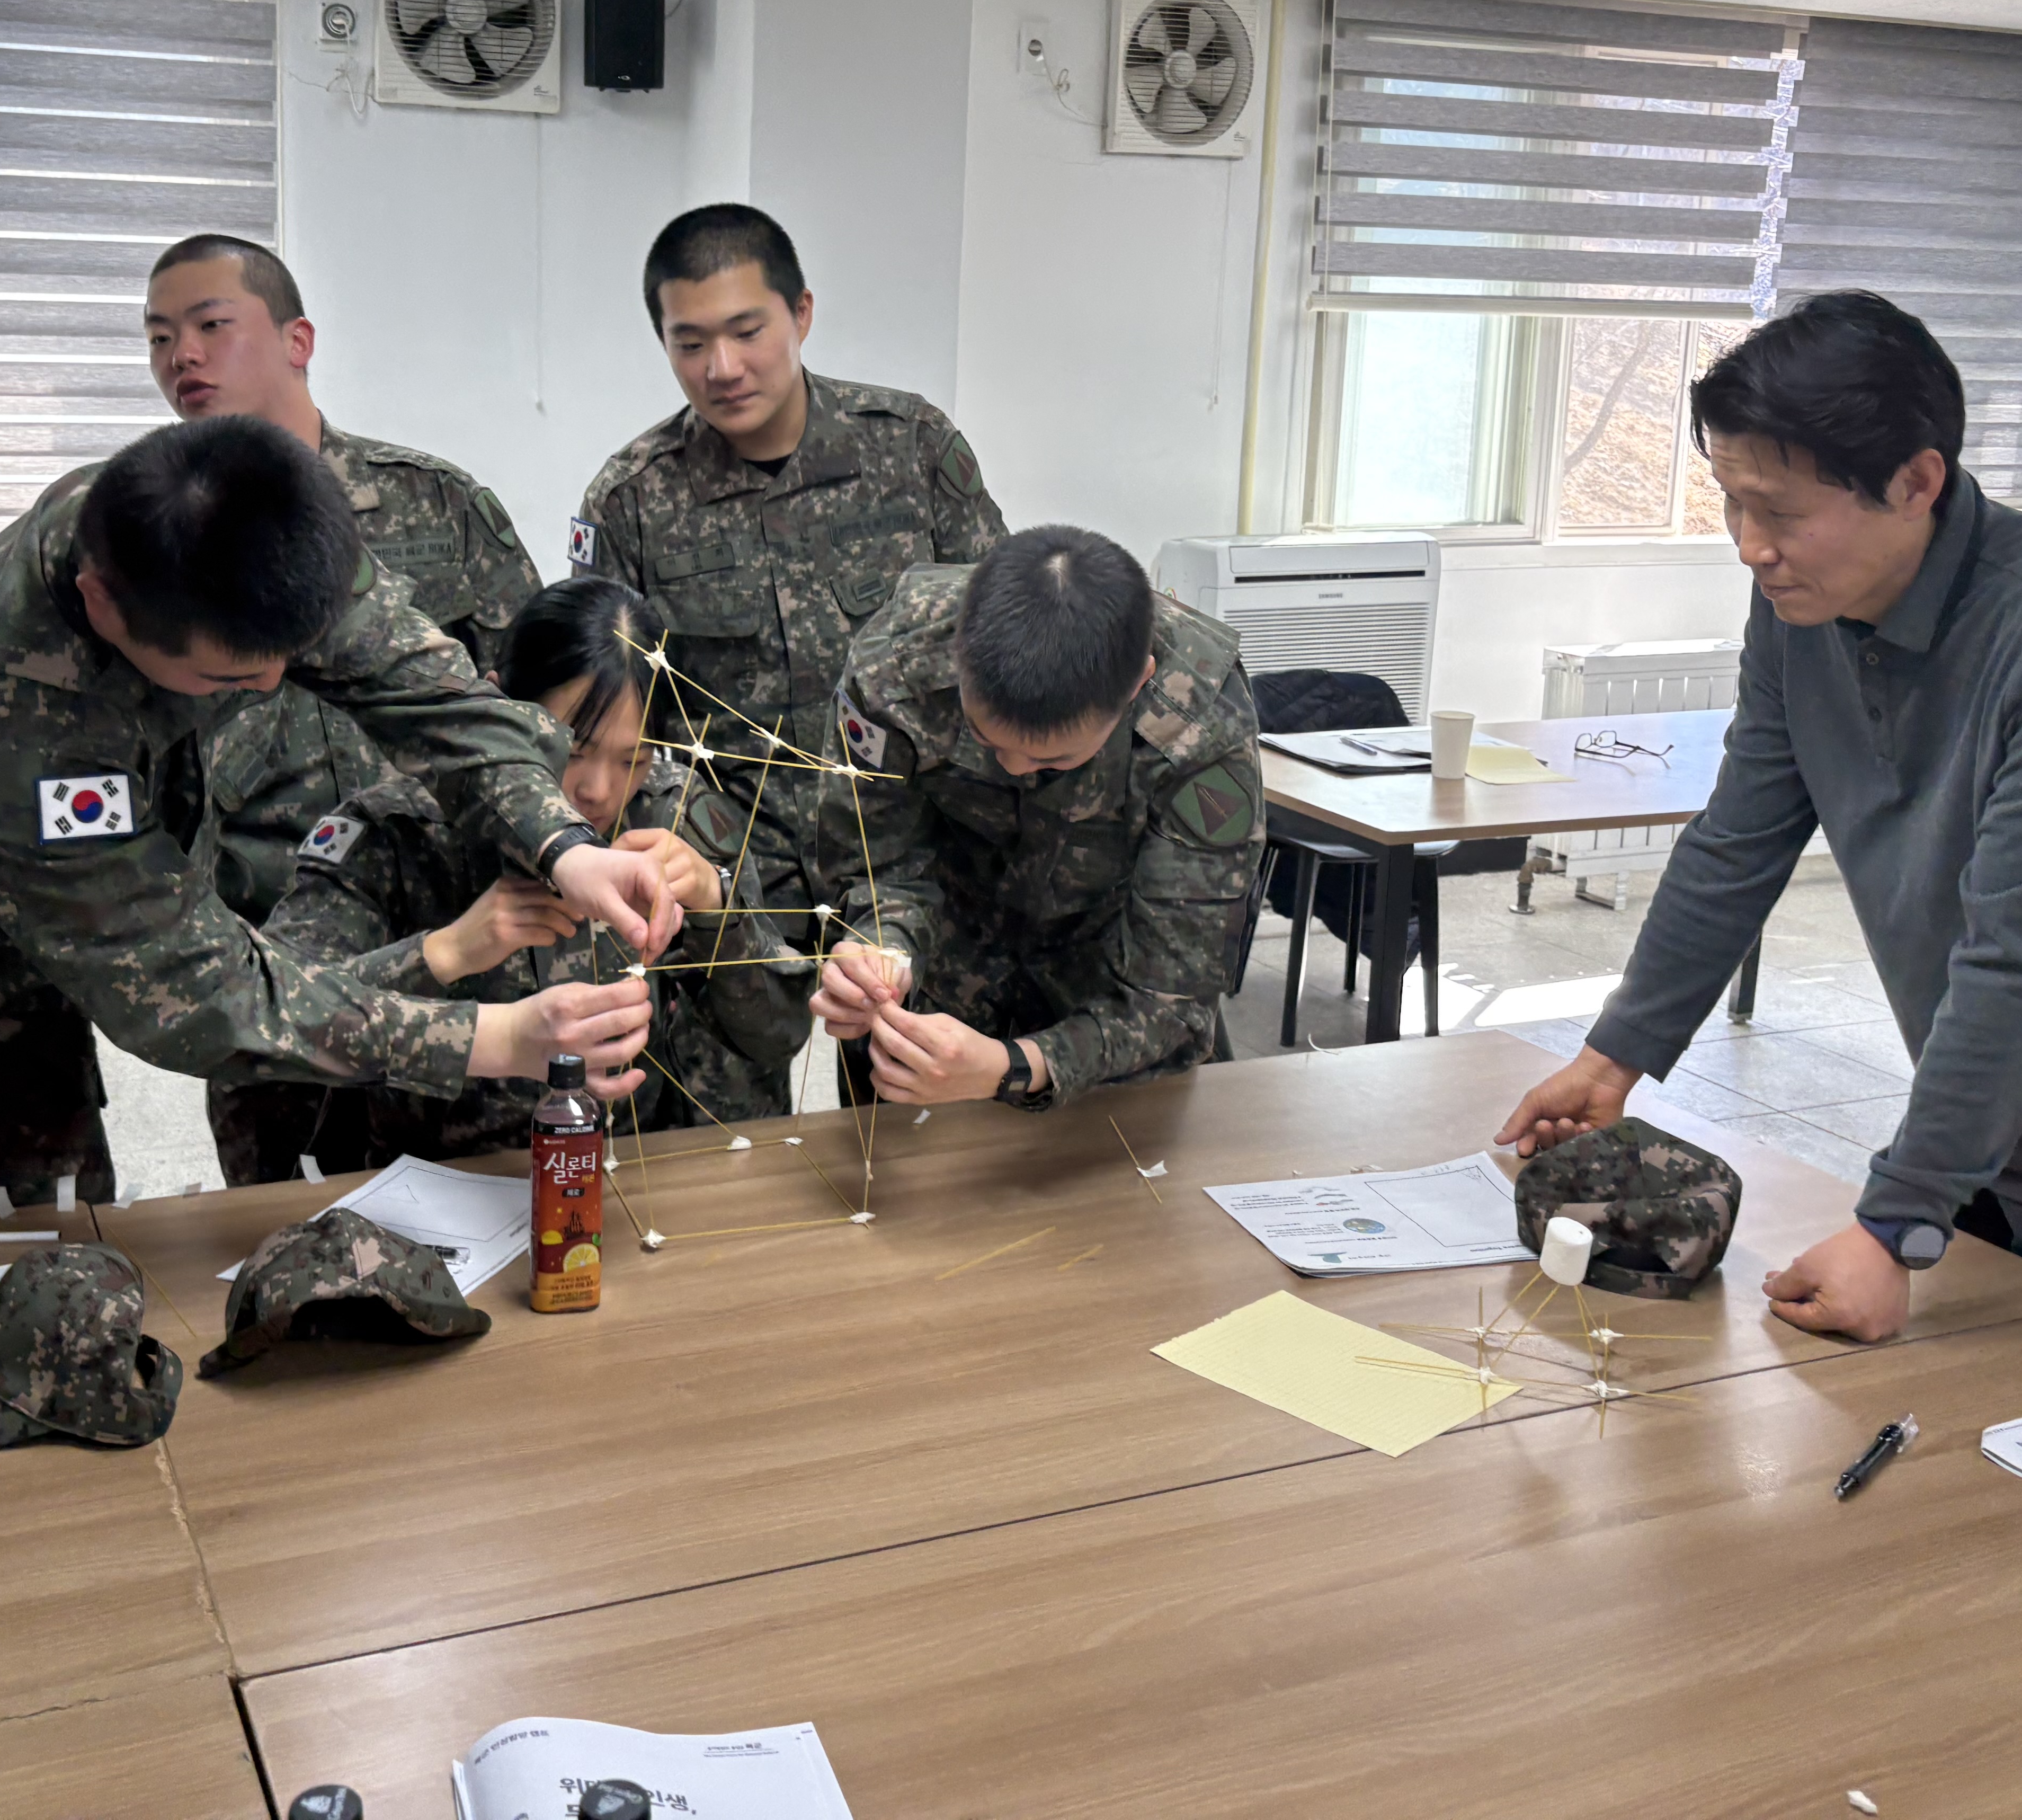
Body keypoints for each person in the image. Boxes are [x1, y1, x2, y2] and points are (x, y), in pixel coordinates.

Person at [1496, 292, 2022, 1348]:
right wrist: (1614, 1057)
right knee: (1948, 1423)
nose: (1750, 546)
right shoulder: (1804, 605)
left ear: (1916, 483)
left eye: (1781, 511)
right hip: (1989, 1116)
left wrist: (1895, 1224)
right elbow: (1737, 839)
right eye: (1731, 502)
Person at [0, 416, 678, 1223]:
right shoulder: (3, 713)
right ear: (104, 605)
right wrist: (489, 1035)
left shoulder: (251, 526)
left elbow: (436, 696)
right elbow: (192, 994)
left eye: (289, 658)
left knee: (62, 1271)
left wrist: (561, 843)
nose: (272, 687)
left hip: (24, 988)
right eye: (231, 679)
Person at [211, 577, 814, 1184]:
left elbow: (780, 1036)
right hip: (437, 1197)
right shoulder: (393, 836)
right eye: (573, 750)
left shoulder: (671, 818)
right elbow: (256, 1048)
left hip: (627, 1188)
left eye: (632, 759)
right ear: (495, 714)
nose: (599, 790)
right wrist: (444, 954)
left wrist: (718, 912)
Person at [574, 203, 1007, 920]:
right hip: (729, 881)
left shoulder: (913, 449)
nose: (723, 369)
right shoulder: (631, 501)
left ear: (801, 313)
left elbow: (1002, 641)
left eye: (748, 333)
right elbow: (603, 713)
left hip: (914, 869)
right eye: (690, 344)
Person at [145, 233, 546, 918]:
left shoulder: (437, 502)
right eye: (159, 338)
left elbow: (534, 699)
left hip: (442, 908)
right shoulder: (154, 541)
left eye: (211, 326)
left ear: (297, 342)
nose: (182, 355)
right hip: (258, 928)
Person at [809, 526, 1265, 1111]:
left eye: (1055, 761)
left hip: (1111, 1020)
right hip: (931, 1016)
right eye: (986, 740)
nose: (1014, 767)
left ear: (1138, 685)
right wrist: (882, 951)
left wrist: (1016, 1067)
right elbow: (877, 865)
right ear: (958, 657)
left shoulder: (1200, 724)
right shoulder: (895, 669)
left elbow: (1173, 1000)